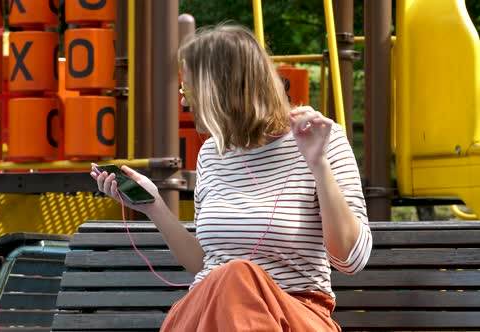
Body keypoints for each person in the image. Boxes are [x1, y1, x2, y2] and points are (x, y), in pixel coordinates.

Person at [91, 24, 372, 332]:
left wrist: (317, 163)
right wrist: (154, 206)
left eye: (189, 91)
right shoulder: (212, 153)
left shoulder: (320, 138)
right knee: (227, 278)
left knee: (236, 277)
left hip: (295, 314)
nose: (184, 103)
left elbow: (351, 260)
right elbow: (206, 263)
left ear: (226, 91)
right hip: (208, 310)